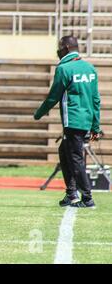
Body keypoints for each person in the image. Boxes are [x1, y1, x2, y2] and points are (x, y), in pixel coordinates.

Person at [34, 36, 101, 208]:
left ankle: (87, 198)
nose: (58, 50)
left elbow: (53, 96)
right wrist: (95, 126)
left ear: (66, 47)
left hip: (72, 120)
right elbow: (95, 99)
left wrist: (39, 113)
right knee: (64, 152)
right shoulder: (90, 68)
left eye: (59, 47)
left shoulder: (64, 68)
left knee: (75, 158)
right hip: (85, 119)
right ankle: (71, 194)